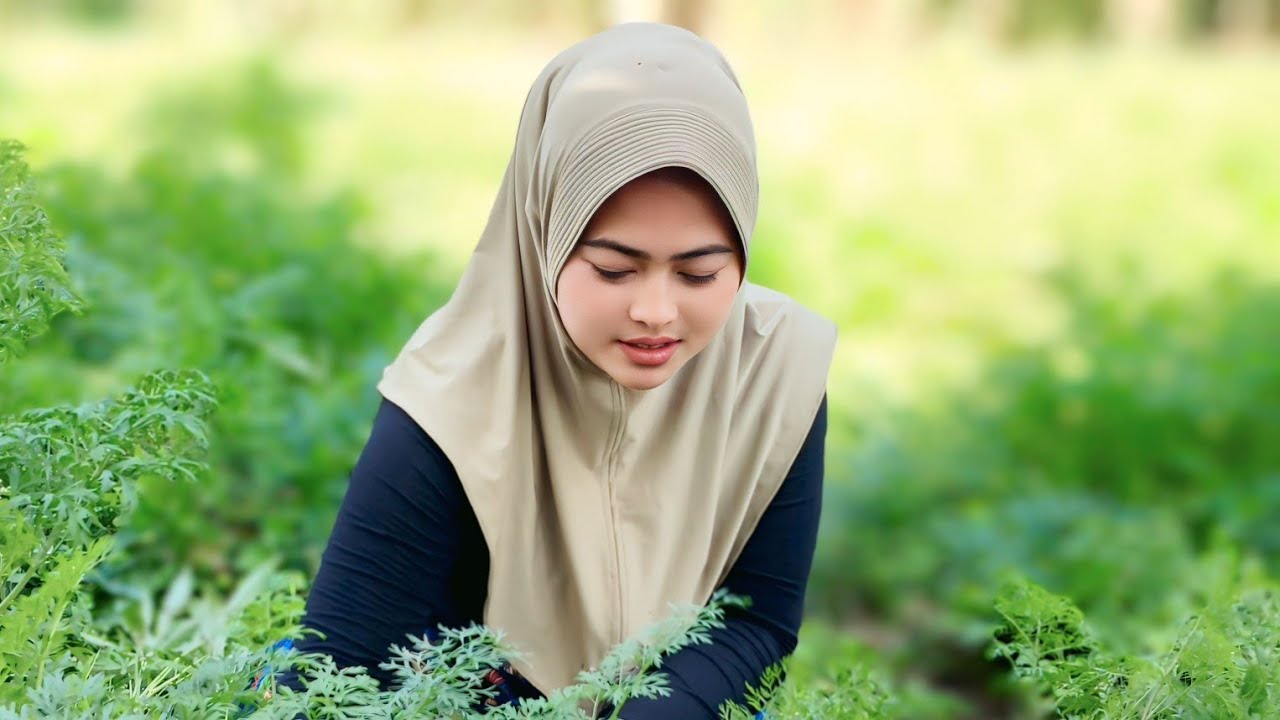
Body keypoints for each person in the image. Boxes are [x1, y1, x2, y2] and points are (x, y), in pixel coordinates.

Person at [279, 21, 836, 719]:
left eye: (699, 273)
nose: (656, 312)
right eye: (613, 268)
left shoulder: (778, 371)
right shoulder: (452, 396)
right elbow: (338, 672)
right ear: (544, 232)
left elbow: (756, 622)